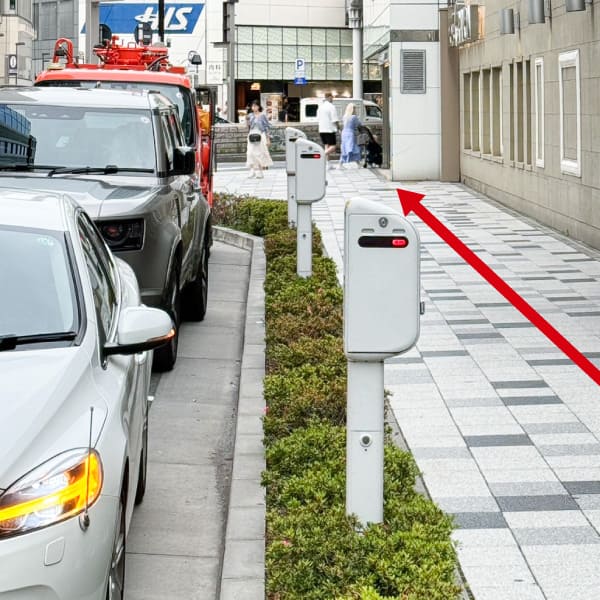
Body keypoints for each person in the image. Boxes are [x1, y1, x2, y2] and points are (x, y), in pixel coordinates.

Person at [245, 100, 273, 178]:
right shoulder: (250, 115)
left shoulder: (262, 115)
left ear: (258, 106)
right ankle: (252, 170)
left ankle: (260, 171)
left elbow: (267, 127)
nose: (254, 107)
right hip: (251, 135)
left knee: (260, 153)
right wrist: (247, 120)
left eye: (255, 106)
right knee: (250, 153)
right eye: (253, 106)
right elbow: (247, 127)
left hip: (261, 135)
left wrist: (268, 139)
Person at [316, 92, 339, 169]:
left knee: (326, 146)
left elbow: (318, 118)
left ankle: (328, 164)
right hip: (329, 129)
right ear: (329, 97)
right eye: (332, 97)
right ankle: (321, 155)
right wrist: (339, 127)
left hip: (321, 129)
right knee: (333, 147)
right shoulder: (331, 107)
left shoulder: (320, 107)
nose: (333, 99)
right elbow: (335, 119)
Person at [338, 103, 362, 169]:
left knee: (345, 148)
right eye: (355, 108)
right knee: (353, 148)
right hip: (350, 133)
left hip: (344, 133)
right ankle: (358, 163)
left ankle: (341, 163)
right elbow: (359, 124)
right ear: (352, 109)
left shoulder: (345, 116)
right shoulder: (354, 117)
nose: (355, 110)